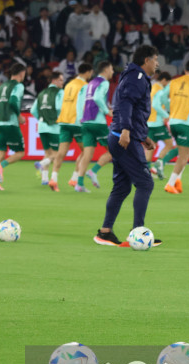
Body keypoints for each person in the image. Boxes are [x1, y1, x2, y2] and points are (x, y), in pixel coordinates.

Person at [94, 45, 162, 247]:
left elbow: (134, 109)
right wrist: (126, 130)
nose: (157, 63)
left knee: (122, 187)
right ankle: (138, 233)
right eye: (155, 59)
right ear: (147, 60)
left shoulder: (131, 75)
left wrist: (143, 135)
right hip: (124, 137)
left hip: (122, 136)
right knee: (145, 183)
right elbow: (125, 103)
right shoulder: (137, 77)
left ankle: (105, 232)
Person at [156, 61, 189, 194]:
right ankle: (170, 184)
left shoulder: (174, 82)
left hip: (173, 122)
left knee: (185, 151)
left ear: (185, 71)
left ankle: (178, 181)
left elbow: (161, 96)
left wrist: (169, 109)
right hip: (186, 122)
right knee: (185, 155)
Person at [50, 62, 94, 192]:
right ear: (87, 72)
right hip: (77, 121)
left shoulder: (68, 84)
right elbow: (85, 105)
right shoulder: (85, 86)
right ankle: (75, 179)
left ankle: (54, 178)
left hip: (64, 120)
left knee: (61, 152)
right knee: (86, 151)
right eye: (91, 72)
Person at [75, 61, 115, 192]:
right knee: (113, 151)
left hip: (85, 122)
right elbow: (98, 98)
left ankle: (79, 184)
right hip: (98, 123)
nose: (113, 72)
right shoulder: (104, 83)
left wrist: (81, 118)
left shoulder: (89, 84)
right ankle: (93, 171)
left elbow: (80, 102)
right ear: (107, 69)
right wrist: (106, 111)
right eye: (112, 69)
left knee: (87, 154)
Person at [0, 63, 27, 190]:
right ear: (22, 73)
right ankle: (2, 166)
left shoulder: (1, 87)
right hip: (10, 122)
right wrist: (19, 117)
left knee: (1, 151)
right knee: (20, 152)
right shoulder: (19, 86)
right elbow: (12, 101)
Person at [31, 71, 65, 186]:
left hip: (41, 127)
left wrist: (42, 118)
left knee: (48, 152)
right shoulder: (60, 92)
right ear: (54, 81)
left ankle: (44, 179)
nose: (62, 82)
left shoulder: (42, 93)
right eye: (60, 80)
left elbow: (33, 110)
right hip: (54, 127)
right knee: (58, 154)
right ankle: (41, 163)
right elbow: (60, 107)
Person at [146, 71, 175, 179]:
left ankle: (146, 172)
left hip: (149, 122)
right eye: (167, 83)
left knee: (150, 148)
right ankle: (159, 161)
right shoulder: (159, 89)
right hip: (157, 122)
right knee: (169, 144)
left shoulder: (152, 88)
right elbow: (156, 105)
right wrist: (165, 115)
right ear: (164, 80)